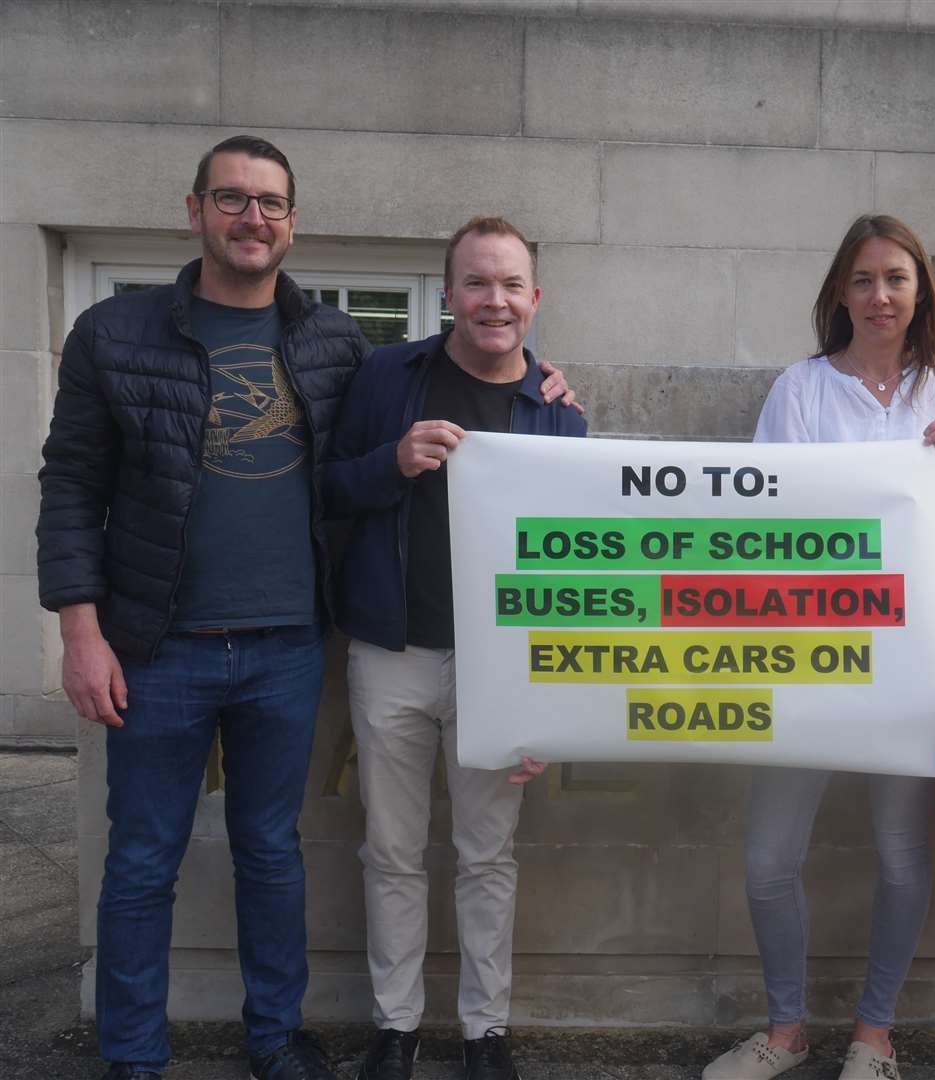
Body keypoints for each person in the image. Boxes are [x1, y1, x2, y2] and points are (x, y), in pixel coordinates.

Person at [34, 135, 362, 1080]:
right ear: (195, 211)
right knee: (141, 860)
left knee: (271, 850)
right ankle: (134, 1054)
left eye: (270, 202)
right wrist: (80, 629)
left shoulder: (333, 340)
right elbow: (71, 484)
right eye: (232, 199)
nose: (252, 217)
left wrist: (540, 385)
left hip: (289, 646)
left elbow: (438, 384)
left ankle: (276, 1039)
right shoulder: (116, 333)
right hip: (156, 646)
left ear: (293, 221)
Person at [704, 214, 935, 1080]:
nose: (880, 295)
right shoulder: (800, 388)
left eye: (896, 278)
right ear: (840, 291)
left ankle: (875, 1034)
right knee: (767, 860)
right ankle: (786, 1031)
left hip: (915, 653)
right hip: (806, 649)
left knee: (902, 854)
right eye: (863, 279)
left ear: (921, 291)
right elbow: (765, 518)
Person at [324, 216, 586, 1080]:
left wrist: (547, 703)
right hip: (391, 651)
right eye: (478, 283)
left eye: (511, 285)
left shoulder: (555, 412)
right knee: (391, 851)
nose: (495, 300)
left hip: (500, 668)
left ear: (535, 300)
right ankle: (394, 1028)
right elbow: (327, 491)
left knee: (487, 855)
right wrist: (392, 462)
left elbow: (572, 569)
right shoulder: (387, 375)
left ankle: (486, 1033)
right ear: (449, 295)